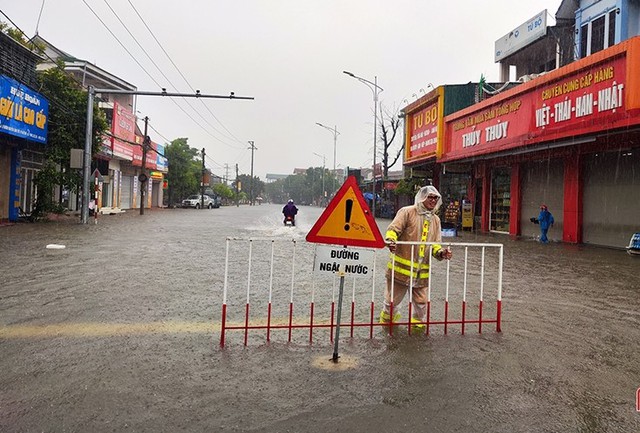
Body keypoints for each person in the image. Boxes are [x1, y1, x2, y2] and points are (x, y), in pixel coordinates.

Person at [380, 185, 453, 331]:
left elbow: (435, 245)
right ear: (422, 197)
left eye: (435, 198)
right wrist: (391, 241)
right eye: (430, 197)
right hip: (401, 270)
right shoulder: (407, 212)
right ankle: (387, 326)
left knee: (421, 302)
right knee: (391, 301)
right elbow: (393, 230)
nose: (433, 200)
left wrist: (441, 253)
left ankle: (417, 328)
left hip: (421, 272)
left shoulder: (436, 220)